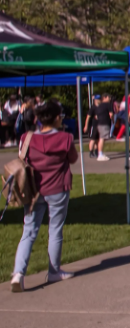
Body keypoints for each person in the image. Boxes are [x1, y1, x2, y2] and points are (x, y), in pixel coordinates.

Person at [10, 99, 78, 292]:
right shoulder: (65, 138)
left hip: (33, 190)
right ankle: (54, 270)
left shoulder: (27, 138)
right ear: (57, 118)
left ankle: (18, 273)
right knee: (55, 229)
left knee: (29, 231)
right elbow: (72, 158)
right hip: (58, 188)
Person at [94, 93, 114, 161]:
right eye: (109, 97)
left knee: (102, 138)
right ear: (105, 97)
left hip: (99, 123)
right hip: (104, 123)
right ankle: (100, 154)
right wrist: (113, 120)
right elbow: (111, 114)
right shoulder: (108, 105)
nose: (110, 98)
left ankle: (100, 153)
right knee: (102, 138)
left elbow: (96, 116)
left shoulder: (99, 106)